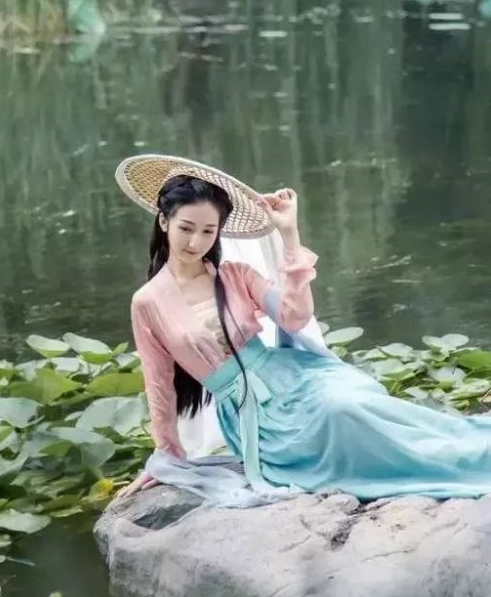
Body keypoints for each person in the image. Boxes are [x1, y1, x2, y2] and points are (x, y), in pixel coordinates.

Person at [115, 154, 491, 503]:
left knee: (351, 406)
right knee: (339, 415)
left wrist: (289, 234)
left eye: (208, 231)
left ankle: (467, 454)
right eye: (186, 228)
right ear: (164, 222)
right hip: (253, 414)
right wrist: (166, 454)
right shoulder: (148, 303)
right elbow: (159, 383)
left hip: (292, 377)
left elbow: (294, 316)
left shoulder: (235, 275)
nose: (196, 242)